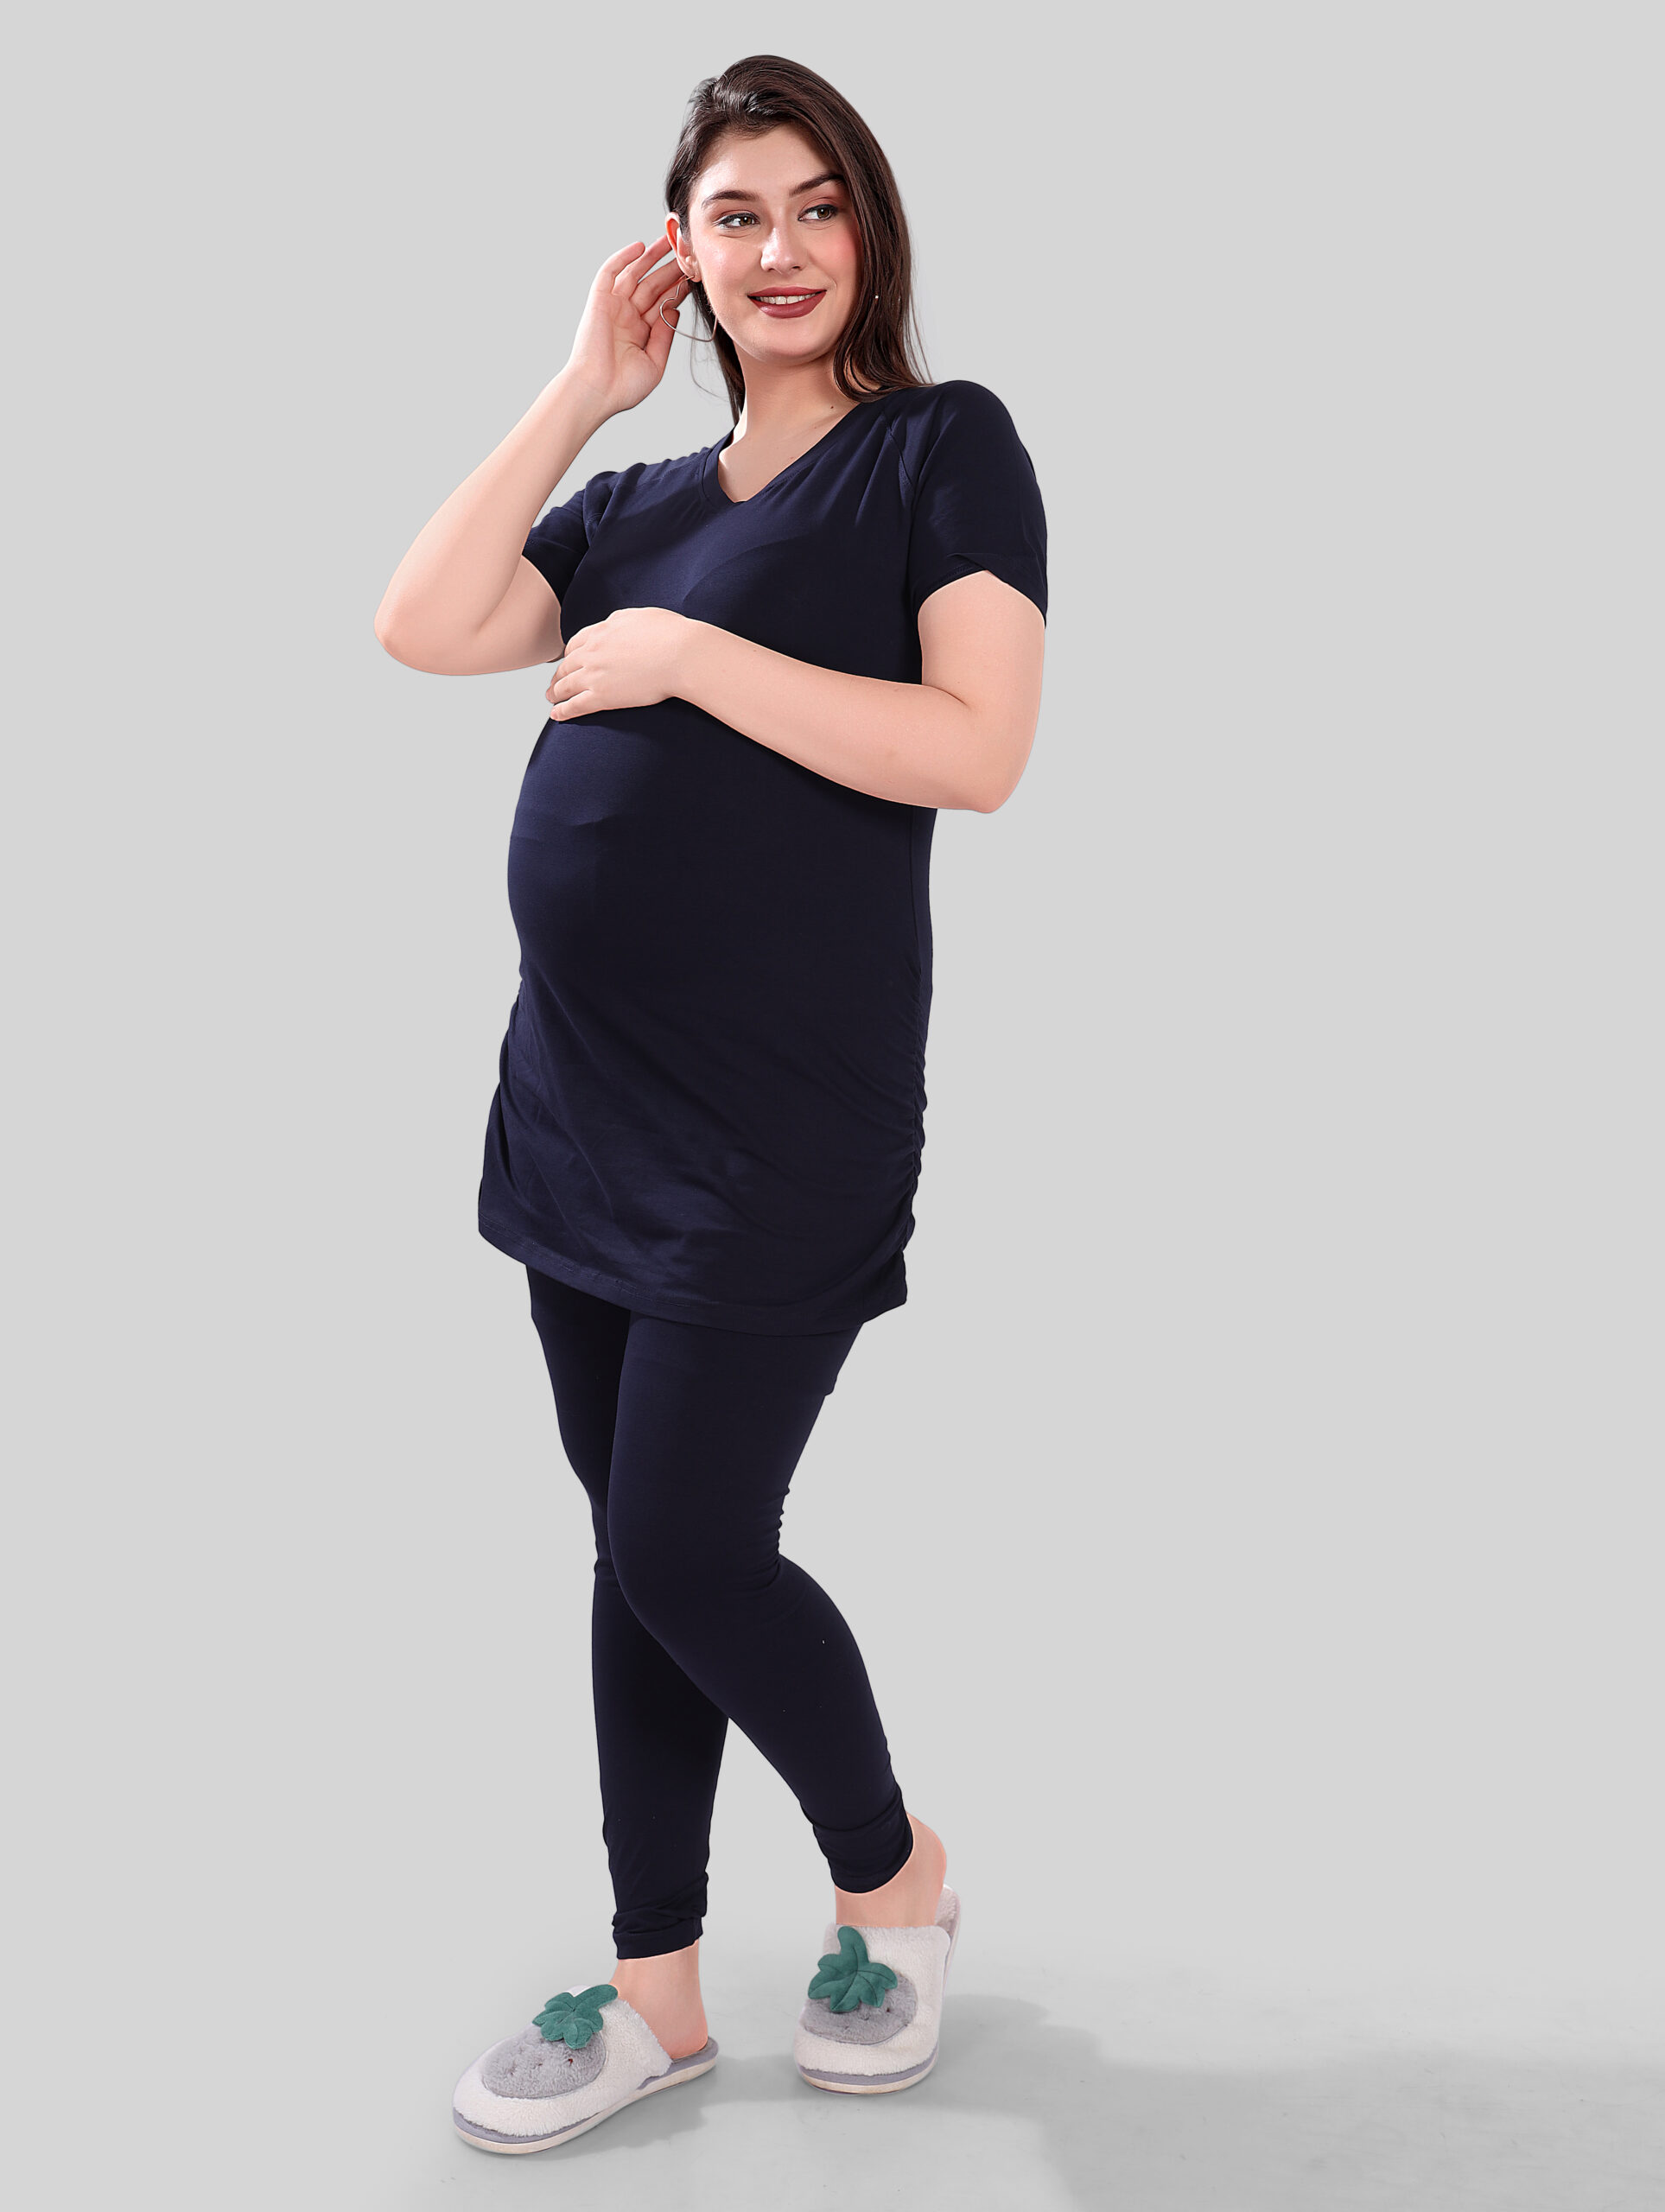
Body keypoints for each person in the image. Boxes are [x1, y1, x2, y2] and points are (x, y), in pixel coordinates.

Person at [374, 54, 1046, 2149]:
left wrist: (684, 661)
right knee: (642, 1551)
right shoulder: (636, 504)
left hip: (779, 1128)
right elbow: (421, 620)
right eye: (735, 213)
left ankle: (892, 1871)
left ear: (873, 230)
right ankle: (657, 1990)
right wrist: (581, 392)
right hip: (578, 1106)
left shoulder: (941, 451)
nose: (780, 248)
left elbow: (976, 747)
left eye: (817, 203)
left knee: (683, 1537)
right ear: (681, 250)